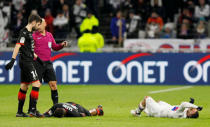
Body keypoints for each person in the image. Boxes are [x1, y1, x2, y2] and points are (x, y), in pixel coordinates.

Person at [5, 14, 43, 117]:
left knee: (24, 85)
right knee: (37, 84)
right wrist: (12, 60)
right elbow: (18, 45)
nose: (38, 26)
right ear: (33, 21)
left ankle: (19, 112)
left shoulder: (29, 33)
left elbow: (28, 49)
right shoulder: (24, 32)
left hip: (27, 60)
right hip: (26, 62)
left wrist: (38, 59)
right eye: (38, 24)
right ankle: (32, 110)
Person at [32, 18, 67, 108]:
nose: (38, 26)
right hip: (37, 63)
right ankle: (32, 108)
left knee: (53, 85)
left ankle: (56, 107)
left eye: (40, 24)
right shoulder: (34, 36)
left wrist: (61, 45)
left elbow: (55, 47)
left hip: (48, 64)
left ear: (45, 24)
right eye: (37, 24)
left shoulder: (49, 35)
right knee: (37, 86)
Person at [130, 96, 203, 119]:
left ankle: (137, 113)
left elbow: (183, 104)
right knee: (158, 101)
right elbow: (186, 107)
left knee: (147, 98)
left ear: (190, 115)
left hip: (160, 111)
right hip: (167, 108)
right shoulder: (185, 112)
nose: (192, 108)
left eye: (193, 110)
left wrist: (197, 106)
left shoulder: (180, 114)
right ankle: (148, 110)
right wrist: (191, 103)